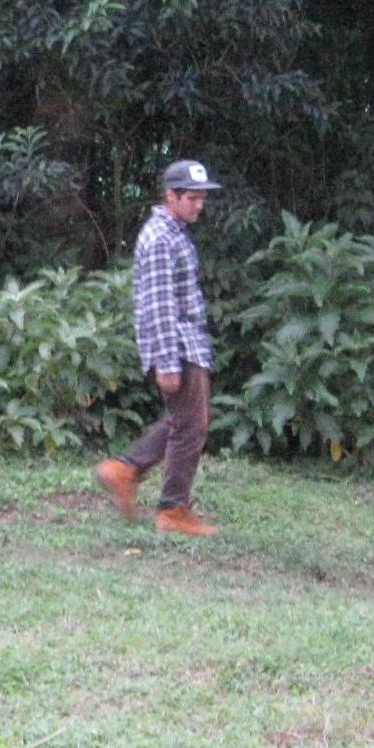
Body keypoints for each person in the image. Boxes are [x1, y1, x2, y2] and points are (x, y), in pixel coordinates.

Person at [96, 158, 223, 536]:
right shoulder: (160, 238)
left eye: (201, 197)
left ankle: (124, 470)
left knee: (187, 422)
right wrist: (167, 362)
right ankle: (171, 510)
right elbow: (159, 305)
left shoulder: (175, 232)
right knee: (191, 427)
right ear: (171, 196)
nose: (198, 204)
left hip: (187, 345)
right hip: (178, 347)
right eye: (191, 197)